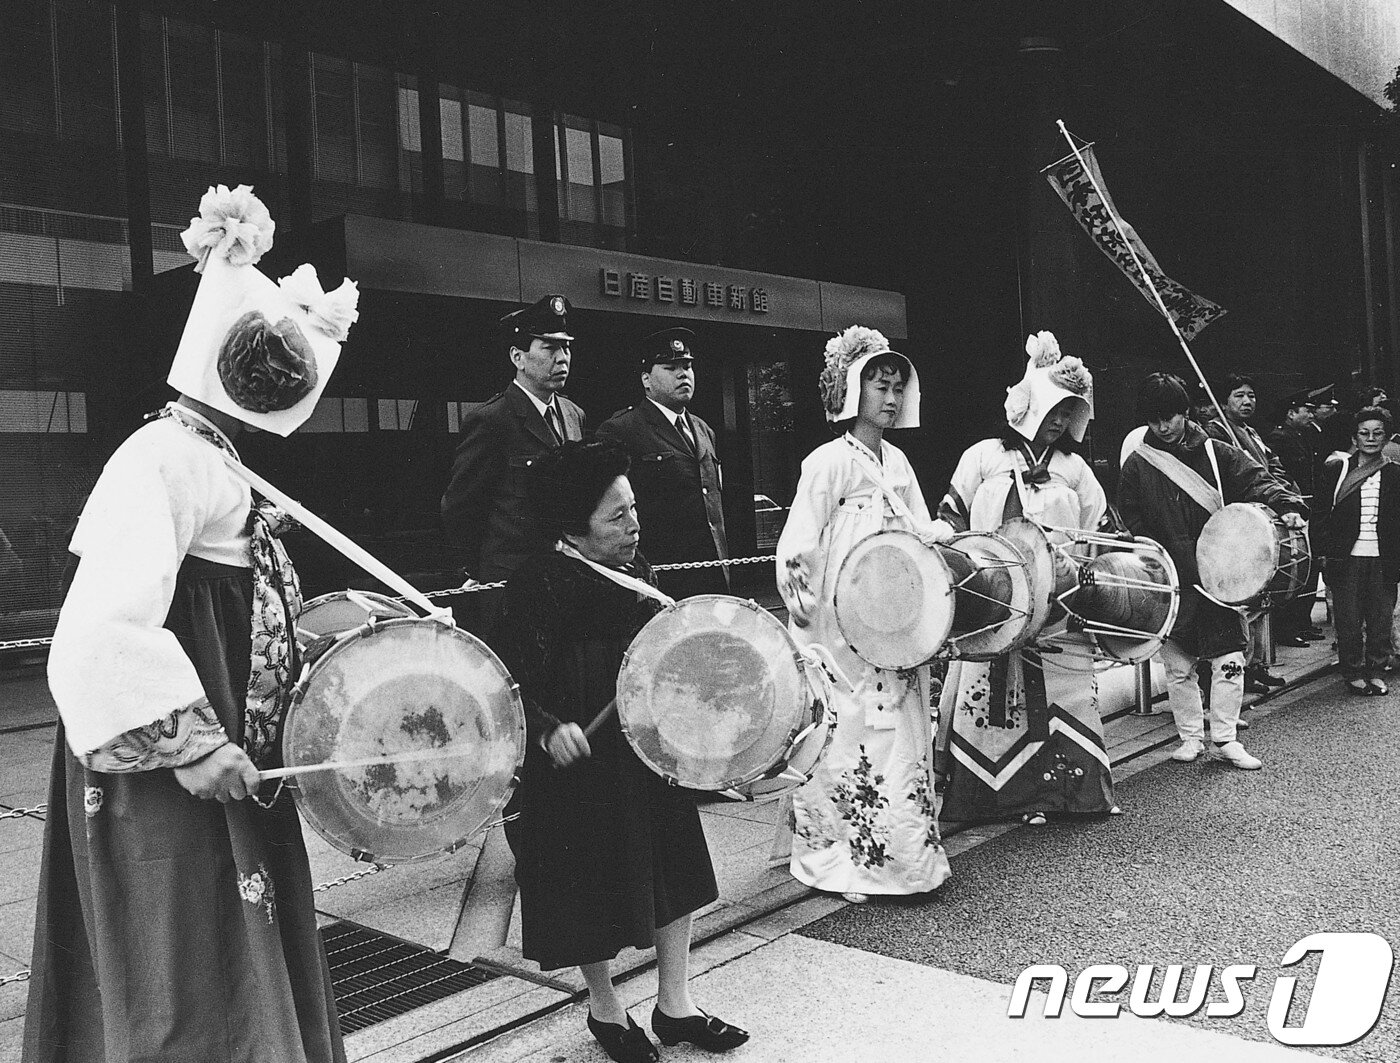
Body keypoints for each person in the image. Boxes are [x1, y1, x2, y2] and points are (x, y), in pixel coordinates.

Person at [25, 184, 358, 1061]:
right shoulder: (162, 455)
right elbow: (99, 630)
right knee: (183, 960)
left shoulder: (210, 454)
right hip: (173, 764)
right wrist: (193, 742)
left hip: (214, 741)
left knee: (213, 948)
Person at [492, 440, 747, 1063]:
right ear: (572, 529)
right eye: (617, 517)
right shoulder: (534, 583)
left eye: (634, 510)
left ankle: (675, 1004)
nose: (635, 526)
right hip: (574, 766)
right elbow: (504, 680)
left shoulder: (641, 572)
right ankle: (606, 1010)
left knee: (673, 870)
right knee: (585, 888)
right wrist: (550, 727)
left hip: (647, 750)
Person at [775, 325, 953, 903]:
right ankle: (840, 861)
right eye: (880, 384)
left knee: (900, 734)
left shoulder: (898, 461)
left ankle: (904, 860)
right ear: (853, 389)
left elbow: (919, 529)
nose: (891, 397)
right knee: (845, 736)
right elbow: (798, 543)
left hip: (894, 619)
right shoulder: (826, 462)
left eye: (898, 386)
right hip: (841, 625)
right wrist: (806, 606)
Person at [936, 331, 1114, 826]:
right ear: (1028, 404)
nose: (1058, 421)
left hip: (1060, 604)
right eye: (1053, 408)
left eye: (1068, 412)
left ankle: (1070, 796)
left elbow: (1097, 528)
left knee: (1067, 690)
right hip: (993, 599)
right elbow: (952, 519)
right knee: (987, 696)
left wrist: (1082, 573)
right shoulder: (982, 457)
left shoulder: (1075, 469)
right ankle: (989, 798)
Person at [1118, 373, 1305, 771]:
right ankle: (1189, 737)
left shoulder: (1217, 452)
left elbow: (1258, 479)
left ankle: (1225, 737)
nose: (1161, 427)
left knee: (1229, 658)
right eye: (1153, 420)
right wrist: (1150, 552)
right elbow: (1131, 518)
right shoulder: (1138, 463)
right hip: (1170, 576)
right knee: (1178, 665)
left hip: (1219, 573)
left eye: (1168, 417)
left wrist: (1287, 504)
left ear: (1185, 412)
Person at [440, 294, 586, 626]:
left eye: (566, 348)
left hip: (570, 576)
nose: (562, 358)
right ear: (517, 357)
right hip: (514, 585)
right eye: (549, 348)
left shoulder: (573, 415)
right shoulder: (493, 419)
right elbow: (460, 507)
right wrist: (478, 573)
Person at [596, 327, 729, 598]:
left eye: (687, 366)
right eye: (671, 367)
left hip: (713, 574)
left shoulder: (704, 431)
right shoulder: (622, 430)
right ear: (646, 379)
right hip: (660, 578)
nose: (683, 374)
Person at [1203, 373, 1297, 685]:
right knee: (1243, 600)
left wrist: (1285, 494)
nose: (1247, 402)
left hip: (1264, 516)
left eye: (1251, 395)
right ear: (1223, 400)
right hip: (1238, 524)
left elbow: (1272, 467)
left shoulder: (1252, 432)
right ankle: (1240, 672)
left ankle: (1257, 666)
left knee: (1261, 596)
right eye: (1239, 396)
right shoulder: (1215, 432)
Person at [1315, 407, 1400, 696]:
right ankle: (1352, 672)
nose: (1371, 438)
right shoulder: (1337, 470)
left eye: (1378, 433)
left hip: (1383, 557)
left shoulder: (1394, 473)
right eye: (1364, 433)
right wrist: (1323, 554)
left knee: (1380, 620)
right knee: (1348, 619)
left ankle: (1376, 671)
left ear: (1386, 437)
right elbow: (1321, 514)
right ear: (1355, 437)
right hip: (1347, 557)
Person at [1268, 388, 1324, 644]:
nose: (1311, 414)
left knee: (1309, 569)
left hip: (1307, 507)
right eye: (1306, 410)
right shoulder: (1279, 438)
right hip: (1291, 509)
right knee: (1293, 567)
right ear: (1291, 413)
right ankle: (1288, 627)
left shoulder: (1304, 435)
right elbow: (1282, 477)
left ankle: (1302, 622)